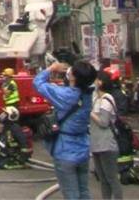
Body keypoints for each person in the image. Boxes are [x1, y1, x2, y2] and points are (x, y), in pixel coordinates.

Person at [34, 59, 97, 200]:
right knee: (84, 192)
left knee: (71, 195)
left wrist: (52, 68)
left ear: (73, 76)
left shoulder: (66, 95)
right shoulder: (88, 94)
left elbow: (38, 83)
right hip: (83, 148)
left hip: (65, 151)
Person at [91, 70, 124, 199]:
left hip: (107, 144)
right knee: (103, 179)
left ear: (100, 82)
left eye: (95, 80)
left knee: (111, 178)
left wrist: (90, 113)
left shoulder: (107, 98)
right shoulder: (95, 98)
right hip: (96, 143)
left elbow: (104, 122)